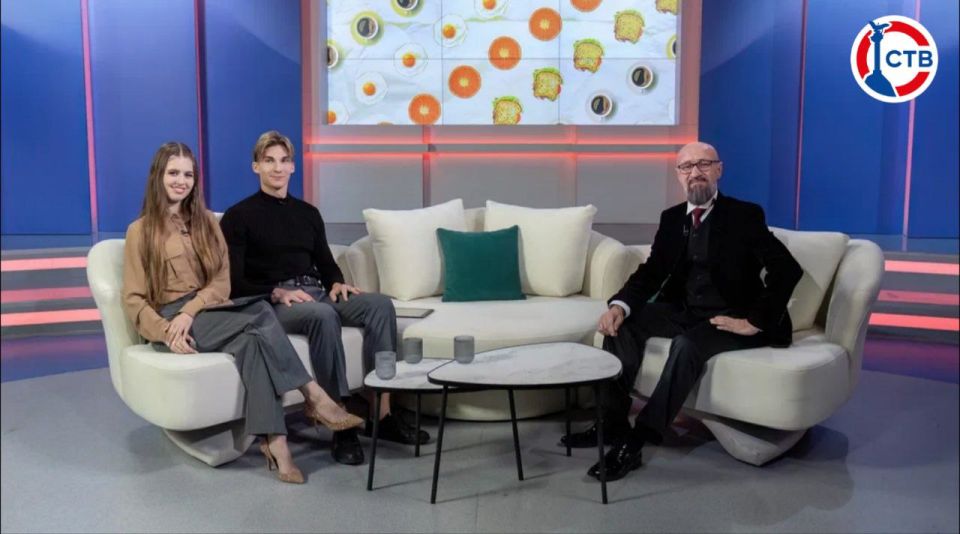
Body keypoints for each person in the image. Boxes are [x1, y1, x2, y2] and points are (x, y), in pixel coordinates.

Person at [122, 142, 363, 485]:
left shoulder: (207, 223)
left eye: (188, 174)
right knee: (261, 313)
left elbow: (222, 282)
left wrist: (192, 309)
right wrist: (167, 330)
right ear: (158, 176)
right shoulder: (140, 231)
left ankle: (275, 440)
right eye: (173, 173)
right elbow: (133, 300)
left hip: (209, 310)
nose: (181, 181)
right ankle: (314, 395)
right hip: (173, 321)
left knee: (253, 339)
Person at [562, 141, 803, 481]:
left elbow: (787, 269)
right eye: (687, 166)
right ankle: (612, 422)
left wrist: (754, 321)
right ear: (678, 174)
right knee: (621, 325)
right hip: (687, 310)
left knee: (686, 346)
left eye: (703, 164)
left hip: (730, 316)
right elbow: (652, 272)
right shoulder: (673, 218)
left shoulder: (744, 215)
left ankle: (637, 440)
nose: (695, 172)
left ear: (719, 170)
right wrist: (619, 305)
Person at [219, 131, 428, 466]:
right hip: (275, 302)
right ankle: (339, 422)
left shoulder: (308, 213)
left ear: (293, 166)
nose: (277, 168)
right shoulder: (238, 216)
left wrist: (337, 283)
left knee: (380, 305)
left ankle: (382, 413)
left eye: (284, 161)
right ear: (256, 166)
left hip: (315, 291)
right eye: (269, 161)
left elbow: (326, 263)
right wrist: (276, 291)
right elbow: (234, 281)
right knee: (322, 315)